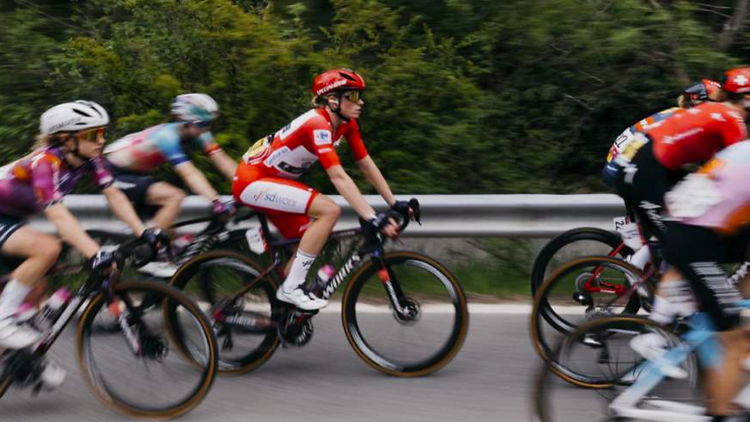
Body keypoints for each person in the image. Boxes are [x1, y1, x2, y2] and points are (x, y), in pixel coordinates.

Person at [0, 100, 161, 391]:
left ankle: (19, 361)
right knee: (46, 249)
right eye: (93, 134)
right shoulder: (45, 163)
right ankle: (4, 325)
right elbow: (58, 215)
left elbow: (114, 196)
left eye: (101, 132)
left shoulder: (89, 160)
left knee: (35, 288)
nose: (101, 140)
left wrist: (144, 231)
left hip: (11, 217)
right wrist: (93, 252)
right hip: (4, 216)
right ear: (66, 138)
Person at [233, 68, 412, 310]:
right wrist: (370, 216)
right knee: (329, 210)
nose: (361, 102)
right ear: (333, 100)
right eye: (354, 96)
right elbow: (338, 175)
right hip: (251, 182)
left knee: (308, 240)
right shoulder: (318, 123)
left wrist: (393, 203)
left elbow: (366, 166)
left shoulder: (347, 125)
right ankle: (291, 289)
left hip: (274, 182)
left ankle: (281, 310)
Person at [104, 93, 237, 231]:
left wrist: (247, 184)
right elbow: (189, 174)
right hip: (114, 173)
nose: (206, 129)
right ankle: (148, 244)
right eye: (203, 124)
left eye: (210, 124)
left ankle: (157, 244)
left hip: (138, 175)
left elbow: (221, 159)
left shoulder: (200, 133)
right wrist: (215, 201)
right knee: (175, 196)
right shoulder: (167, 137)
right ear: (187, 122)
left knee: (170, 238)